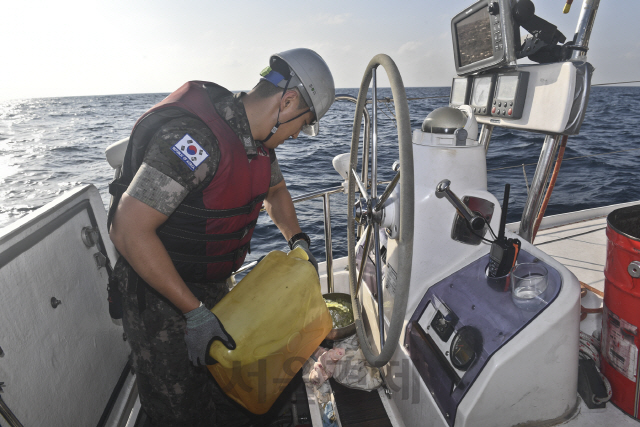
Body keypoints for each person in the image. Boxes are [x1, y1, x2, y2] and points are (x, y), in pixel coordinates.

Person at [108, 48, 335, 427]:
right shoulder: (195, 139)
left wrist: (298, 240)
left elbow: (275, 192)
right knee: (180, 409)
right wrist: (194, 313)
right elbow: (127, 229)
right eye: (304, 122)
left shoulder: (261, 141)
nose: (297, 134)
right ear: (288, 101)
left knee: (222, 389)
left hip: (212, 288)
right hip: (160, 298)